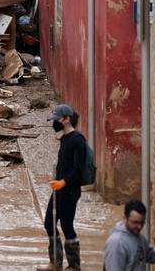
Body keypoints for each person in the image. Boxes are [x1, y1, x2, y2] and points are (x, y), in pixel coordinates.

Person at [37, 105, 87, 271]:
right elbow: (64, 165)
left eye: (57, 120)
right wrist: (56, 179)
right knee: (49, 223)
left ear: (66, 119)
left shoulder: (78, 140)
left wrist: (64, 182)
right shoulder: (65, 138)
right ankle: (56, 263)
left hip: (70, 190)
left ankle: (74, 265)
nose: (55, 123)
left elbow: (78, 169)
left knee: (66, 225)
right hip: (59, 189)